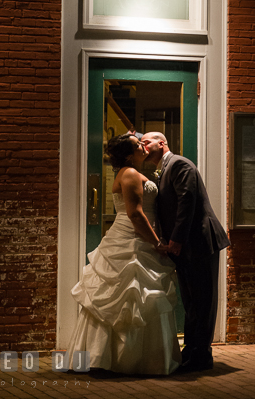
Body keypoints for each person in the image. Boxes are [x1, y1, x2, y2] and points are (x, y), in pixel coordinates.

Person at [66, 133, 181, 374]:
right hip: (131, 238)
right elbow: (135, 214)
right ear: (130, 155)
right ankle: (118, 359)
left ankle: (136, 358)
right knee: (131, 295)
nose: (143, 145)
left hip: (140, 236)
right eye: (138, 144)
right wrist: (157, 242)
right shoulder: (128, 174)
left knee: (142, 297)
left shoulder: (134, 172)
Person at [142, 132, 230, 373]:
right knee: (191, 301)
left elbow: (186, 202)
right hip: (185, 245)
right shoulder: (163, 168)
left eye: (146, 142)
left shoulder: (180, 164)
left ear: (162, 144)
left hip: (200, 241)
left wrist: (176, 240)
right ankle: (191, 350)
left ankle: (202, 355)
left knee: (203, 301)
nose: (143, 146)